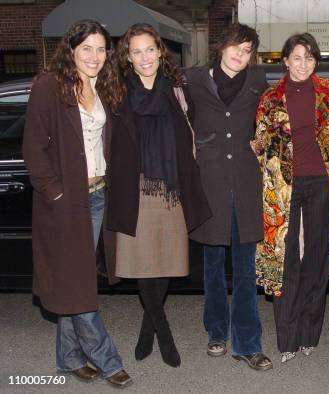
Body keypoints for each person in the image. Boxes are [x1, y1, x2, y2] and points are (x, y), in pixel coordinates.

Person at [22, 19, 131, 387]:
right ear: (71, 50)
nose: (95, 56)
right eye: (87, 48)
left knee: (76, 280)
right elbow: (33, 148)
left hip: (98, 196)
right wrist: (53, 192)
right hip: (65, 201)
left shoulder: (103, 86)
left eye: (101, 49)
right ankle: (108, 359)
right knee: (79, 285)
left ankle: (68, 357)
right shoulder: (48, 86)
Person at [106, 23, 211, 368]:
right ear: (128, 58)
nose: (144, 57)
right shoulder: (117, 92)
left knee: (164, 262)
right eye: (136, 51)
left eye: (149, 49)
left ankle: (147, 328)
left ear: (160, 51)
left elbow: (192, 134)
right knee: (141, 266)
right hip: (135, 189)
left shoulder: (178, 91)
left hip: (171, 190)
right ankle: (162, 331)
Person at [185, 23, 272, 371]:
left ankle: (249, 343)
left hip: (246, 186)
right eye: (236, 46)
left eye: (248, 50)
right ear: (222, 46)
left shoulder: (258, 83)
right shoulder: (192, 82)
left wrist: (262, 143)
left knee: (246, 269)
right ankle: (216, 332)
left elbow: (269, 126)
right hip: (209, 185)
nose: (240, 54)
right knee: (212, 267)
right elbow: (181, 123)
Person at [252, 33, 329, 363]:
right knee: (285, 259)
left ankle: (309, 334)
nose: (303, 63)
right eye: (297, 56)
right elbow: (260, 143)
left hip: (322, 181)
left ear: (316, 62)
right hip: (282, 188)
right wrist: (257, 148)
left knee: (317, 258)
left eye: (310, 57)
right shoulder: (270, 98)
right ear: (286, 60)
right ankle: (287, 337)